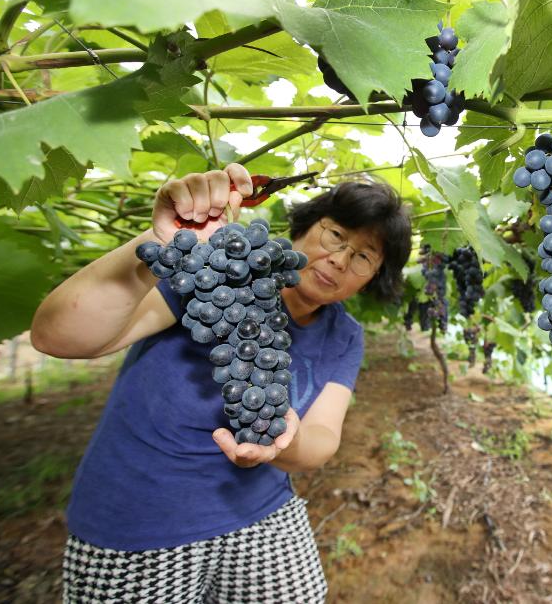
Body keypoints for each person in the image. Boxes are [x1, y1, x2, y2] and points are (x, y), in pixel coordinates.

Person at [29, 163, 412, 603]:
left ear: (371, 280)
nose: (340, 259)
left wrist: (284, 439)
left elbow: (323, 436)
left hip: (262, 511)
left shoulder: (343, 335)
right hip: (137, 521)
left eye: (363, 257)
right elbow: (57, 336)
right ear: (304, 227)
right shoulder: (220, 274)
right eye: (336, 235)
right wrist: (163, 242)